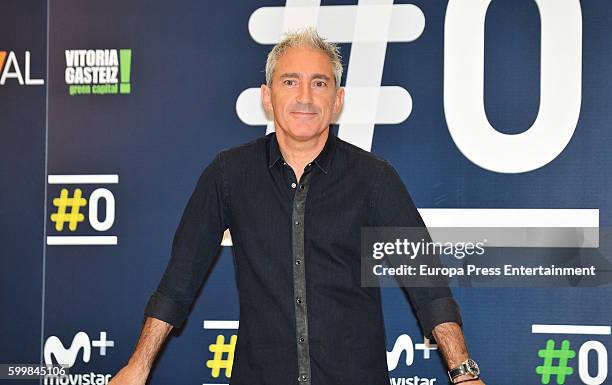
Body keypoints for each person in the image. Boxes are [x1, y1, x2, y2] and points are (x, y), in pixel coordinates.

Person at [109, 27, 484, 385]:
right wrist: (137, 369)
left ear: (337, 100)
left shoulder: (374, 178)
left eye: (319, 83)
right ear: (267, 96)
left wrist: (463, 373)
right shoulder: (228, 175)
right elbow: (178, 283)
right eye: (290, 81)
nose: (305, 96)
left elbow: (428, 285)